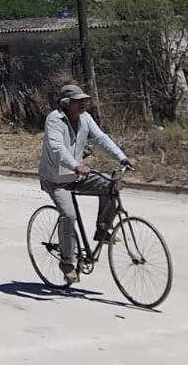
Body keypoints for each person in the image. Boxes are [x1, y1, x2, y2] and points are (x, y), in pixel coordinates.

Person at [38, 84, 136, 283]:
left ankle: (102, 231)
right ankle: (67, 262)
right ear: (66, 103)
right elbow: (57, 148)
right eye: (78, 101)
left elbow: (101, 139)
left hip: (76, 174)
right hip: (56, 180)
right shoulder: (54, 120)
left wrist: (122, 158)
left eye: (84, 100)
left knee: (111, 186)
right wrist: (75, 165)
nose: (83, 104)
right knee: (69, 215)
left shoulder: (85, 118)